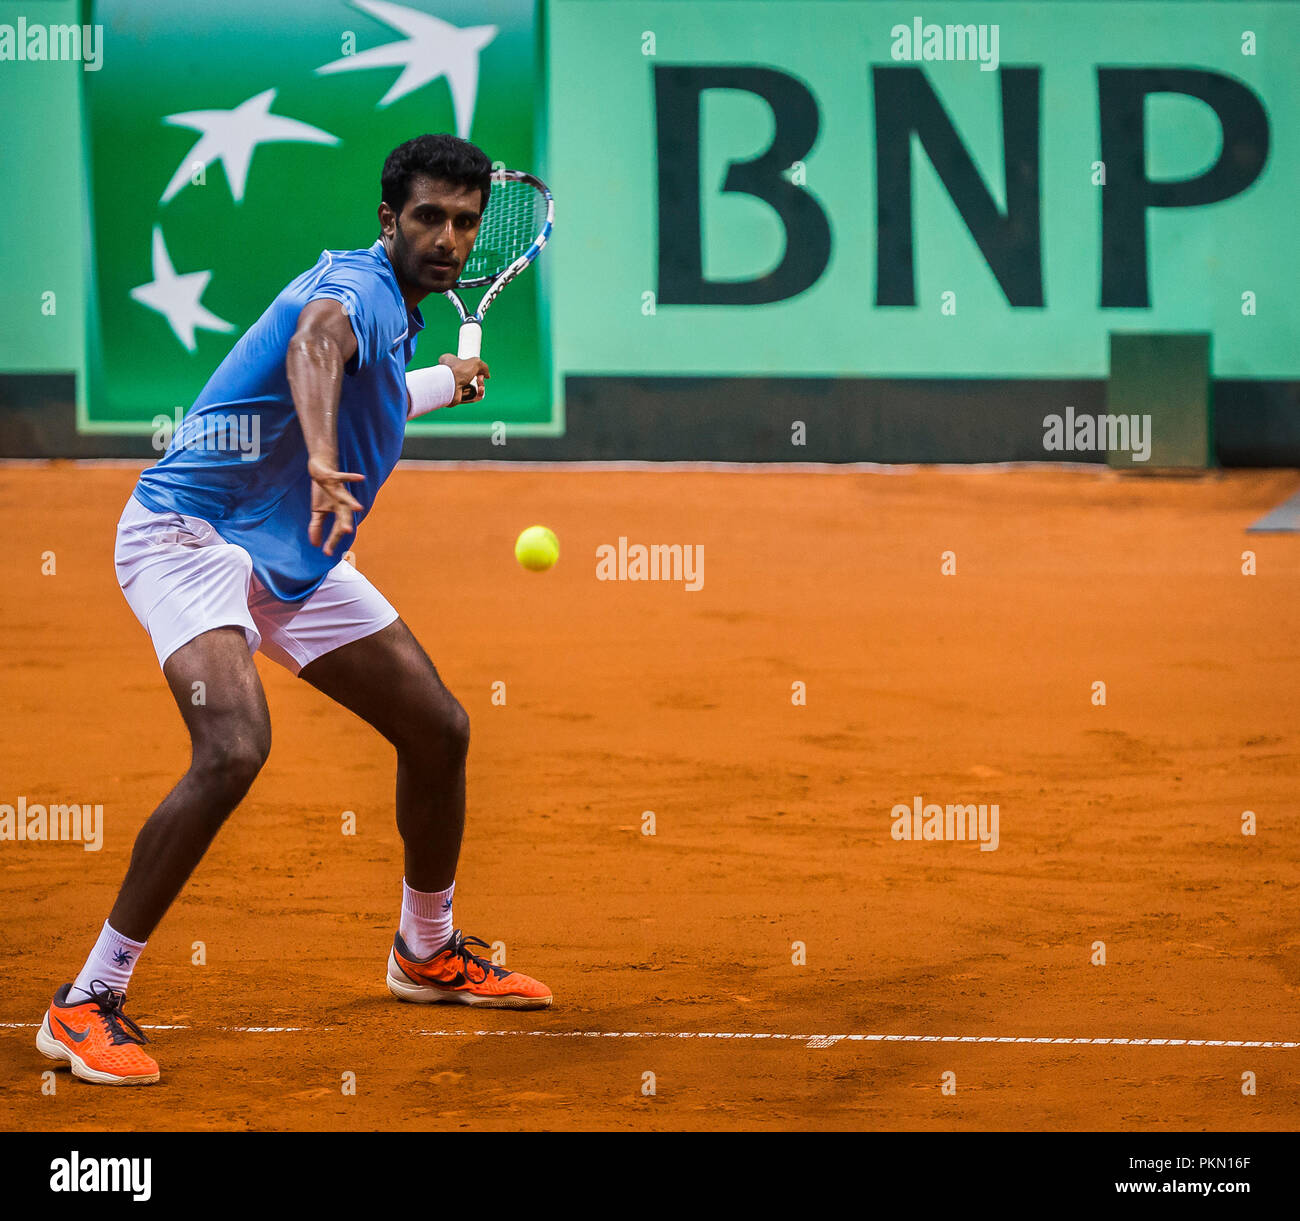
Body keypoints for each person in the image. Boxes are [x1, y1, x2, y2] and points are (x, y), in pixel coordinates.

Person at [36, 133, 552, 1087]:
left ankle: (425, 951)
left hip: (288, 559)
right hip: (188, 536)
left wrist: (444, 383)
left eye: (465, 222)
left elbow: (378, 387)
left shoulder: (402, 312)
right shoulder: (353, 288)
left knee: (436, 728)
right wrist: (320, 456)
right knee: (232, 747)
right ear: (387, 221)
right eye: (428, 217)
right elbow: (320, 347)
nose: (448, 237)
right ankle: (85, 1000)